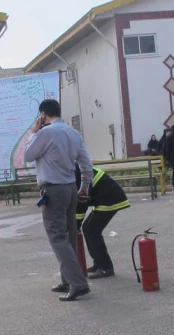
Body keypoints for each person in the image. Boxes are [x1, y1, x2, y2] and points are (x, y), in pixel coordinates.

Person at [23, 99, 94, 302]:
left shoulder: (45, 133)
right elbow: (86, 164)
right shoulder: (73, 133)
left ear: (43, 114)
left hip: (53, 190)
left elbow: (28, 154)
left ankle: (78, 284)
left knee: (58, 238)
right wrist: (84, 187)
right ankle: (67, 280)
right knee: (69, 236)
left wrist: (33, 132)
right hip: (71, 189)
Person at [75, 166, 129, 279]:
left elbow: (81, 201)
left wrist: (76, 225)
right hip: (105, 198)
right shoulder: (75, 168)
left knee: (91, 230)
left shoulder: (75, 173)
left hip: (109, 199)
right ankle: (98, 263)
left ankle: (105, 267)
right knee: (88, 228)